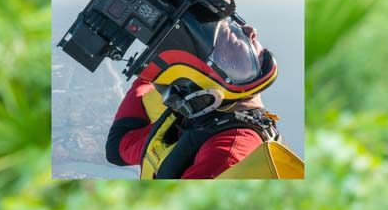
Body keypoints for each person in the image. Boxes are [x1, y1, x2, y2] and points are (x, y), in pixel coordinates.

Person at [106, 21, 282, 179]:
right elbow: (118, 147)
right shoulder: (198, 116)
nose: (251, 30)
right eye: (230, 27)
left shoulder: (226, 155)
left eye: (230, 39)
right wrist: (155, 63)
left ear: (229, 71)